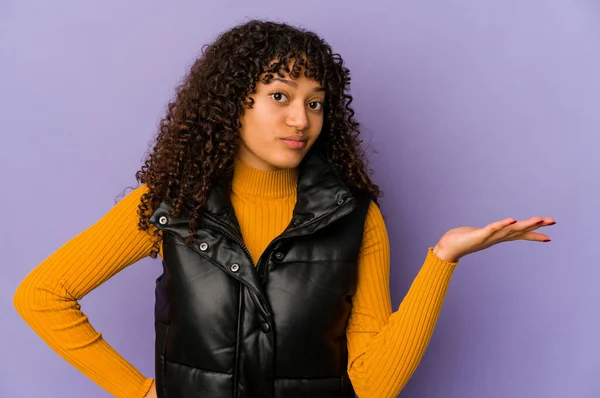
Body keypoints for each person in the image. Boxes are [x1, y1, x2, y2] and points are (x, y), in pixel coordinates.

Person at [13, 19, 555, 398]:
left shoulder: (355, 217)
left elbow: (372, 386)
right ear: (232, 102)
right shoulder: (171, 206)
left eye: (315, 103)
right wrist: (136, 391)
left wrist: (442, 260)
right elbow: (42, 295)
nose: (301, 120)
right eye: (280, 95)